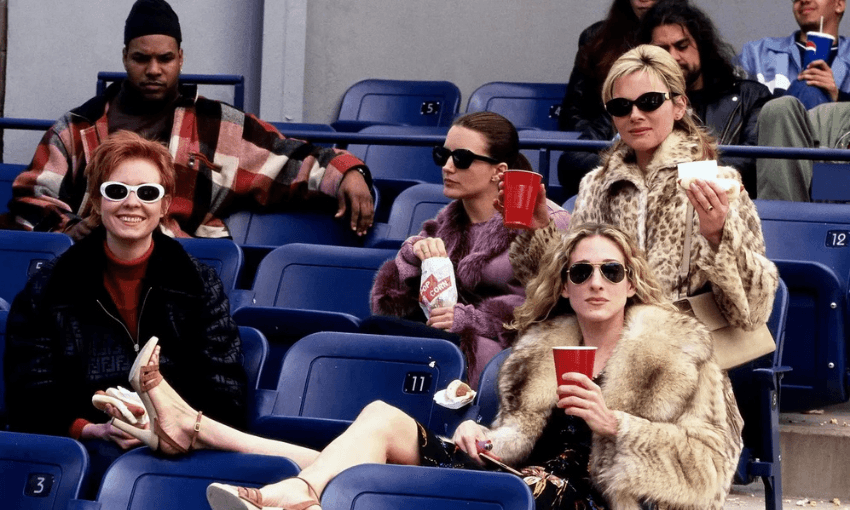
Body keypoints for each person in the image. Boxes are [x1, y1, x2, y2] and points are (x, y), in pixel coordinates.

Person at [101, 223, 744, 510]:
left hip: (599, 500)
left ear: (632, 282)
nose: (596, 282)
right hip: (517, 481)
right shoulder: (537, 354)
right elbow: (516, 443)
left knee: (369, 477)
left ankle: (213, 439)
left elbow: (715, 466)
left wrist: (618, 426)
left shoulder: (679, 351)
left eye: (611, 271)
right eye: (582, 272)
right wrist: (481, 434)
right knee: (378, 423)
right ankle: (279, 493)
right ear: (566, 285)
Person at [3, 0, 374, 239]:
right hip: (90, 266)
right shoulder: (77, 128)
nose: (153, 70)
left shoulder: (217, 125)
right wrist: (70, 230)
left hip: (181, 265)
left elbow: (287, 158)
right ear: (124, 58)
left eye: (164, 59)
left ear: (180, 58)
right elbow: (31, 199)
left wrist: (348, 171)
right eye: (140, 59)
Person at [3, 131, 247, 487]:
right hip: (87, 456)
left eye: (147, 193)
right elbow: (29, 395)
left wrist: (165, 424)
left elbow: (227, 392)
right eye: (116, 191)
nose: (131, 203)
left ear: (165, 206)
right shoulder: (48, 288)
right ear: (97, 202)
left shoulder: (199, 285)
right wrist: (91, 429)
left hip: (184, 452)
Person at [545, 45, 778, 334]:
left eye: (650, 101)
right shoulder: (596, 185)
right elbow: (567, 290)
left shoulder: (718, 182)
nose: (635, 115)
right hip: (611, 345)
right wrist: (538, 230)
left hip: (689, 353)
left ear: (679, 106)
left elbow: (753, 312)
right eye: (621, 106)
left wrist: (718, 236)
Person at [368, 111, 570, 387]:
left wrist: (470, 320)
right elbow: (389, 305)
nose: (448, 167)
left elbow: (551, 309)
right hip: (450, 342)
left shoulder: (544, 221)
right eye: (443, 155)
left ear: (499, 171)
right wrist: (412, 256)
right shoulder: (446, 223)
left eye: (461, 159)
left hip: (507, 356)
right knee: (372, 331)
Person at [637, 0, 772, 197]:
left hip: (734, 208)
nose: (673, 57)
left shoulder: (750, 96)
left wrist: (686, 174)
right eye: (663, 50)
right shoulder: (638, 104)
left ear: (701, 45)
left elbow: (753, 161)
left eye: (682, 46)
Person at [557, 0, 658, 197]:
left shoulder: (682, 52)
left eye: (680, 46)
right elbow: (574, 113)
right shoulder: (598, 38)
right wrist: (601, 142)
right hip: (605, 147)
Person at [739, 0, 849, 109]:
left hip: (833, 126)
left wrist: (839, 97)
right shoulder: (756, 54)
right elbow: (734, 110)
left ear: (839, 4)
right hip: (772, 125)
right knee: (807, 87)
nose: (804, 0)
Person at [754, 96, 850, 201]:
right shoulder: (825, 115)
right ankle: (780, 214)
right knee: (780, 107)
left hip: (834, 209)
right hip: (796, 209)